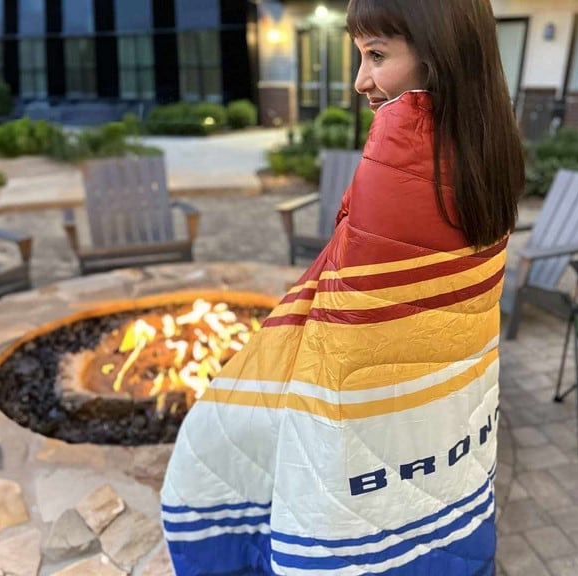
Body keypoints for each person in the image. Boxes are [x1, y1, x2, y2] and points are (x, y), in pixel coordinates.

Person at [161, 0, 524, 574]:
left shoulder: (403, 140)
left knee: (214, 449)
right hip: (458, 402)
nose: (360, 81)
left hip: (370, 426)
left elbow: (345, 323)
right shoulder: (490, 148)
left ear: (440, 53)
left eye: (377, 55)